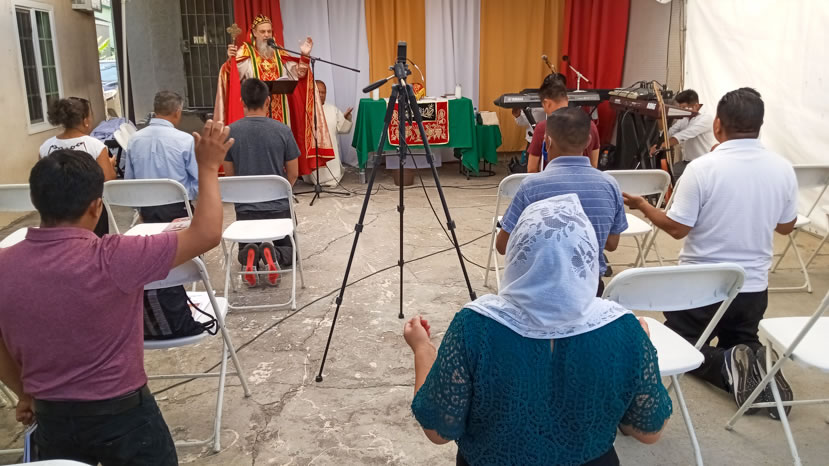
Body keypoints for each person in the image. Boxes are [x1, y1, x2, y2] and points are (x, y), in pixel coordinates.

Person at [0, 120, 233, 464]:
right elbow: (207, 233)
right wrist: (209, 167)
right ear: (96, 207)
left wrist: (25, 393)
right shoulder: (116, 256)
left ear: (36, 201)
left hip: (52, 421)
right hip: (125, 420)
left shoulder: (5, 264)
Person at [406, 194, 672, 466]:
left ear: (518, 254)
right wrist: (640, 351)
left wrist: (423, 350)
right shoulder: (624, 329)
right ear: (588, 255)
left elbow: (438, 430)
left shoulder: (474, 325)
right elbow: (648, 431)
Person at [624, 88, 798, 419]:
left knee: (680, 346)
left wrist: (644, 206)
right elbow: (786, 226)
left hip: (700, 289)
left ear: (717, 125)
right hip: (752, 289)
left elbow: (677, 228)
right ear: (759, 126)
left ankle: (724, 365)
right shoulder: (782, 168)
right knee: (742, 339)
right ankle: (755, 363)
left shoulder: (702, 168)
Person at [496, 107, 627, 295]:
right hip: (589, 288)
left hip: (540, 287)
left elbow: (502, 246)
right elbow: (612, 244)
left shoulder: (531, 186)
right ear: (588, 141)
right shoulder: (609, 184)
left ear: (547, 141)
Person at [214, 14, 335, 178]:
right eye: (262, 31)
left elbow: (299, 73)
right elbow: (232, 76)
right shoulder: (246, 52)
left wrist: (304, 56)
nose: (266, 35)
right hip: (254, 110)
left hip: (280, 108)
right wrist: (231, 60)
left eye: (269, 31)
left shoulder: (278, 52)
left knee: (279, 144)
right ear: (254, 33)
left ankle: (281, 178)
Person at [224, 78, 299, 287]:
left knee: (246, 246)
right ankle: (274, 254)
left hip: (246, 211)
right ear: (268, 101)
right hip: (278, 208)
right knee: (291, 250)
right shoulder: (282, 130)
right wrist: (278, 193)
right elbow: (293, 173)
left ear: (242, 101)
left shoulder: (230, 132)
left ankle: (250, 257)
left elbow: (230, 176)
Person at [39, 97, 117, 237]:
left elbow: (42, 178)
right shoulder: (95, 145)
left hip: (56, 210)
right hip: (88, 210)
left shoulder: (46, 146)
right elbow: (108, 178)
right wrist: (110, 164)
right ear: (85, 120)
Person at [126, 90, 198, 222]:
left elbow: (129, 180)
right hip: (178, 207)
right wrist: (188, 196)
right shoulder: (185, 140)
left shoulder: (134, 140)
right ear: (177, 112)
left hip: (147, 208)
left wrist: (138, 207)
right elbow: (197, 180)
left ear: (155, 111)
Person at [526, 76, 600, 171]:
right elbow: (594, 165)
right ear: (567, 99)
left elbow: (532, 169)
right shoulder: (590, 125)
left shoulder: (543, 127)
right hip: (584, 179)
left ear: (546, 103)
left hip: (551, 179)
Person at [650, 89, 717, 175]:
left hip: (703, 164)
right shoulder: (685, 118)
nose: (681, 110)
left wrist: (660, 146)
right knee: (669, 175)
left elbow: (684, 135)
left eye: (684, 107)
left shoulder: (706, 118)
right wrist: (657, 144)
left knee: (671, 176)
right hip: (688, 162)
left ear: (696, 106)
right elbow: (670, 132)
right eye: (680, 107)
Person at [301, 80, 353, 187]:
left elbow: (342, 128)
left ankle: (331, 178)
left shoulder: (332, 109)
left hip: (331, 156)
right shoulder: (306, 109)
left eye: (323, 92)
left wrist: (346, 118)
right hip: (313, 152)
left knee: (332, 173)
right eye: (318, 92)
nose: (321, 95)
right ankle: (312, 178)